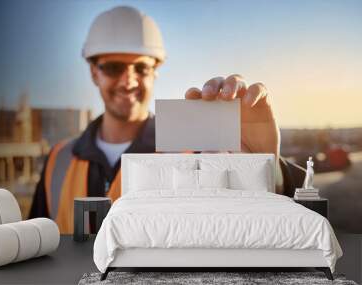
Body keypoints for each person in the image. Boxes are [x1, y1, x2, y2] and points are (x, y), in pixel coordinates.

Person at [29, 6, 305, 233]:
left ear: (156, 71)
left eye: (141, 67)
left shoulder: (193, 149)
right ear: (94, 73)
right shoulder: (59, 159)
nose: (129, 81)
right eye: (113, 68)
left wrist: (266, 172)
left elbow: (246, 231)